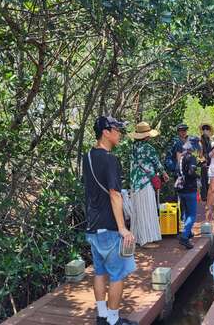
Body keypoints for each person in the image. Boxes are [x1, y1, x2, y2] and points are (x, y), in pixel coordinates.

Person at [83, 116, 137, 325]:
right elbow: (115, 194)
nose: (120, 133)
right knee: (117, 274)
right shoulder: (110, 159)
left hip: (93, 225)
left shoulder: (87, 156)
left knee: (99, 271)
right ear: (106, 132)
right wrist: (122, 228)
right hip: (109, 226)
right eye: (117, 129)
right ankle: (113, 321)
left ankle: (102, 315)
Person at [129, 122, 169, 249]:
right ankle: (146, 240)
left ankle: (136, 237)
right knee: (147, 209)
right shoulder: (148, 148)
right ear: (146, 136)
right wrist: (163, 173)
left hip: (135, 183)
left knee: (137, 211)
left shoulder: (133, 148)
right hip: (145, 182)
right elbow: (156, 162)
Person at [177, 136, 201, 249]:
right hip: (190, 188)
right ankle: (185, 237)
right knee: (192, 214)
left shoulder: (181, 157)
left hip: (181, 189)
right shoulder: (191, 158)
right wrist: (198, 175)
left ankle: (188, 231)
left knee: (186, 212)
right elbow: (191, 172)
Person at [199, 123, 214, 204]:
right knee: (204, 180)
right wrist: (203, 161)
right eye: (204, 129)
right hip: (204, 162)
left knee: (208, 179)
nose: (205, 130)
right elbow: (200, 152)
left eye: (207, 129)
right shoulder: (201, 140)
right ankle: (204, 196)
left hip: (210, 161)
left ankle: (208, 195)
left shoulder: (209, 140)